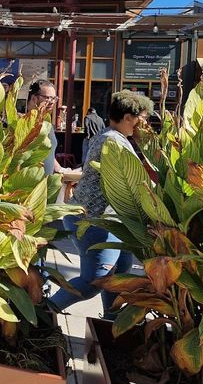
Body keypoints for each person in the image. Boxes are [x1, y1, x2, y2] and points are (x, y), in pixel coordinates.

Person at [49, 90, 154, 318]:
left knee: (119, 273)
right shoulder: (112, 141)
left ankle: (111, 319)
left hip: (109, 221)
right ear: (128, 117)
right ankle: (44, 312)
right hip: (92, 221)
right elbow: (133, 183)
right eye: (142, 119)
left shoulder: (112, 137)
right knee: (95, 280)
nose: (144, 124)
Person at [27, 80, 64, 176]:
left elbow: (48, 152)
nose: (51, 102)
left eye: (54, 98)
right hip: (27, 185)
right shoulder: (24, 124)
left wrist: (59, 168)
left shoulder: (47, 124)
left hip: (45, 185)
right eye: (47, 98)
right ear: (34, 98)